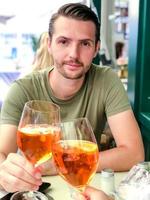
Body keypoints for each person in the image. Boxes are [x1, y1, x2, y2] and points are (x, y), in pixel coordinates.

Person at [0, 3, 144, 193]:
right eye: (64, 42)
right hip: (34, 187)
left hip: (82, 188)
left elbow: (134, 153)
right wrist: (5, 173)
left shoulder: (106, 80)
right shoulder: (22, 89)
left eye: (85, 43)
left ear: (95, 49)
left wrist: (57, 164)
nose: (73, 55)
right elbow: (1, 153)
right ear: (49, 44)